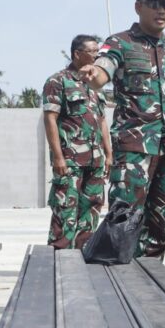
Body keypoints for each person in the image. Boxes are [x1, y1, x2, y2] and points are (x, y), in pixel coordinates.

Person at [79, 0, 165, 259]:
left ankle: (152, 285)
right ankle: (118, 284)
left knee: (161, 225)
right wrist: (93, 74)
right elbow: (102, 71)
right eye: (154, 4)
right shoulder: (119, 43)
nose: (161, 10)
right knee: (124, 221)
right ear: (138, 7)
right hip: (134, 150)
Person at [42, 34, 112, 250]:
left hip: (96, 160)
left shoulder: (95, 85)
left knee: (92, 208)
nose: (97, 55)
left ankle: (84, 252)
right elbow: (50, 119)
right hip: (70, 159)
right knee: (66, 208)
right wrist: (58, 157)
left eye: (98, 51)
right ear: (77, 54)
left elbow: (101, 122)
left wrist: (109, 154)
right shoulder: (57, 81)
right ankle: (59, 257)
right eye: (92, 52)